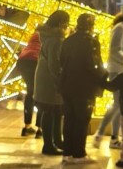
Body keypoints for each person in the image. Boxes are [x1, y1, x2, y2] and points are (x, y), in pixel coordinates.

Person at [59, 14, 107, 164]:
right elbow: (94, 65)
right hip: (84, 87)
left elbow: (61, 61)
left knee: (69, 119)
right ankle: (79, 154)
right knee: (82, 120)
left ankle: (67, 153)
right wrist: (104, 76)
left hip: (67, 86)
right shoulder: (91, 42)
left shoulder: (68, 41)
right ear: (91, 25)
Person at [93, 3, 123, 149]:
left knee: (121, 105)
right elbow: (115, 50)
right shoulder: (119, 28)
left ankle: (114, 137)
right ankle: (102, 134)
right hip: (118, 71)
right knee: (118, 104)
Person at [34, 10, 70, 156]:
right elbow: (54, 64)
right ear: (61, 23)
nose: (68, 25)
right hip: (49, 81)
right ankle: (48, 145)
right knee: (49, 111)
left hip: (46, 78)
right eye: (67, 22)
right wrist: (60, 81)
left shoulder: (50, 37)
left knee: (56, 111)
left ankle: (57, 141)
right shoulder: (55, 40)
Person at [17, 30, 43, 138]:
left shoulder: (33, 36)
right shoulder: (47, 36)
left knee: (30, 93)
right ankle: (40, 129)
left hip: (23, 62)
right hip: (36, 61)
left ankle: (27, 126)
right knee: (41, 95)